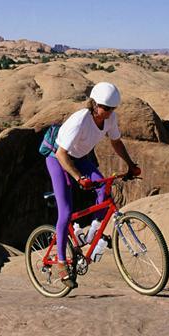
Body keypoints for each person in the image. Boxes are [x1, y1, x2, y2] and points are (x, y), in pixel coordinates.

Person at [45, 82, 141, 287]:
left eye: (112, 108)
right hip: (58, 159)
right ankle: (61, 262)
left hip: (79, 158)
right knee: (65, 212)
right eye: (106, 108)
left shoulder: (110, 119)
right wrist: (79, 178)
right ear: (95, 104)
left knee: (103, 188)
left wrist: (131, 165)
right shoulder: (80, 121)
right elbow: (62, 154)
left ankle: (92, 234)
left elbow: (116, 142)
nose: (109, 112)